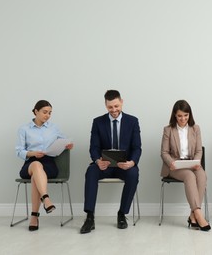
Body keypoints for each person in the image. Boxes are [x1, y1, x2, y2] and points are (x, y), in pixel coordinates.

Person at [80, 90, 142, 234]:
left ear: (122, 102)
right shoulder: (98, 122)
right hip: (104, 165)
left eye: (116, 106)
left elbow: (137, 147)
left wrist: (132, 162)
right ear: (105, 105)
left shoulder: (133, 121)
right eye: (110, 107)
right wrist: (97, 160)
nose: (114, 110)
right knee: (90, 172)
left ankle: (122, 214)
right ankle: (90, 217)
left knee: (134, 174)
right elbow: (93, 147)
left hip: (124, 165)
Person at [15, 100, 73, 231]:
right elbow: (18, 151)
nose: (47, 115)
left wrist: (68, 145)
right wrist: (32, 153)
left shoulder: (54, 128)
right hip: (30, 162)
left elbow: (64, 140)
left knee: (36, 176)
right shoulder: (24, 129)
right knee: (36, 165)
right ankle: (46, 199)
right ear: (36, 111)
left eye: (50, 113)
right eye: (45, 112)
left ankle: (34, 217)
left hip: (48, 164)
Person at [160, 100, 211, 231]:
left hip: (192, 163)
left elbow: (199, 150)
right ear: (175, 116)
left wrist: (196, 161)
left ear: (190, 115)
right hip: (175, 166)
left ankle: (192, 215)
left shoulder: (195, 129)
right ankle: (198, 214)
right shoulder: (168, 130)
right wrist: (171, 162)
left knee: (202, 176)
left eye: (186, 115)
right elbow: (164, 152)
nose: (183, 119)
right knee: (189, 176)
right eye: (180, 116)